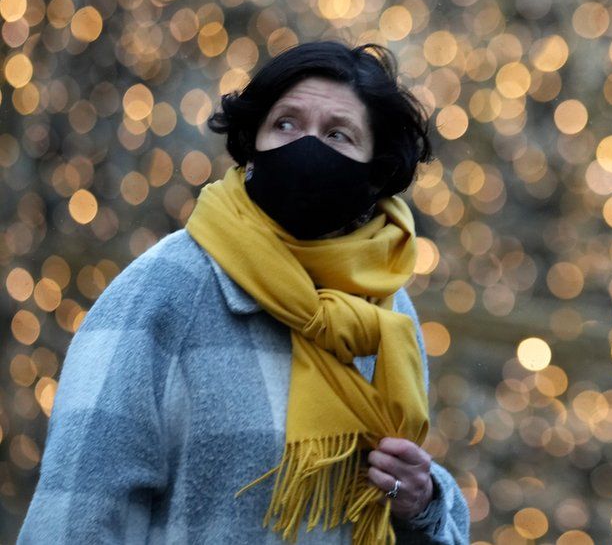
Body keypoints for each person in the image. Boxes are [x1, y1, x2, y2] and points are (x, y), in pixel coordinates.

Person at [18, 41, 470, 544]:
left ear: (376, 171)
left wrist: (420, 505)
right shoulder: (164, 291)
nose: (306, 146)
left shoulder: (387, 313)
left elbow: (392, 512)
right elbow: (74, 516)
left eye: (338, 134)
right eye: (286, 124)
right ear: (252, 142)